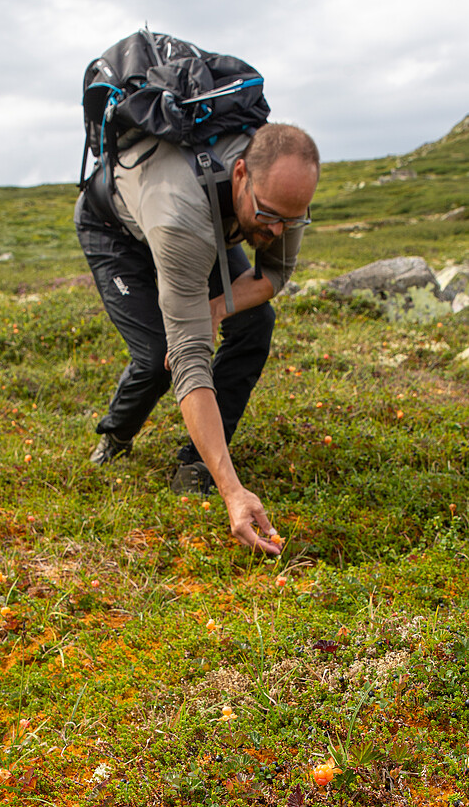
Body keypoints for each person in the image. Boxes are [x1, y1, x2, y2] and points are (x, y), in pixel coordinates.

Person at [74, 122, 319, 554]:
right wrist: (233, 492)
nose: (279, 231)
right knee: (157, 356)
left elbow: (276, 270)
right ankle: (116, 437)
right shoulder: (181, 219)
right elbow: (188, 355)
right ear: (241, 174)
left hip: (214, 220)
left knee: (255, 321)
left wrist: (218, 306)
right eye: (270, 216)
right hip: (119, 230)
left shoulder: (280, 196)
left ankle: (196, 464)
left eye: (293, 219)